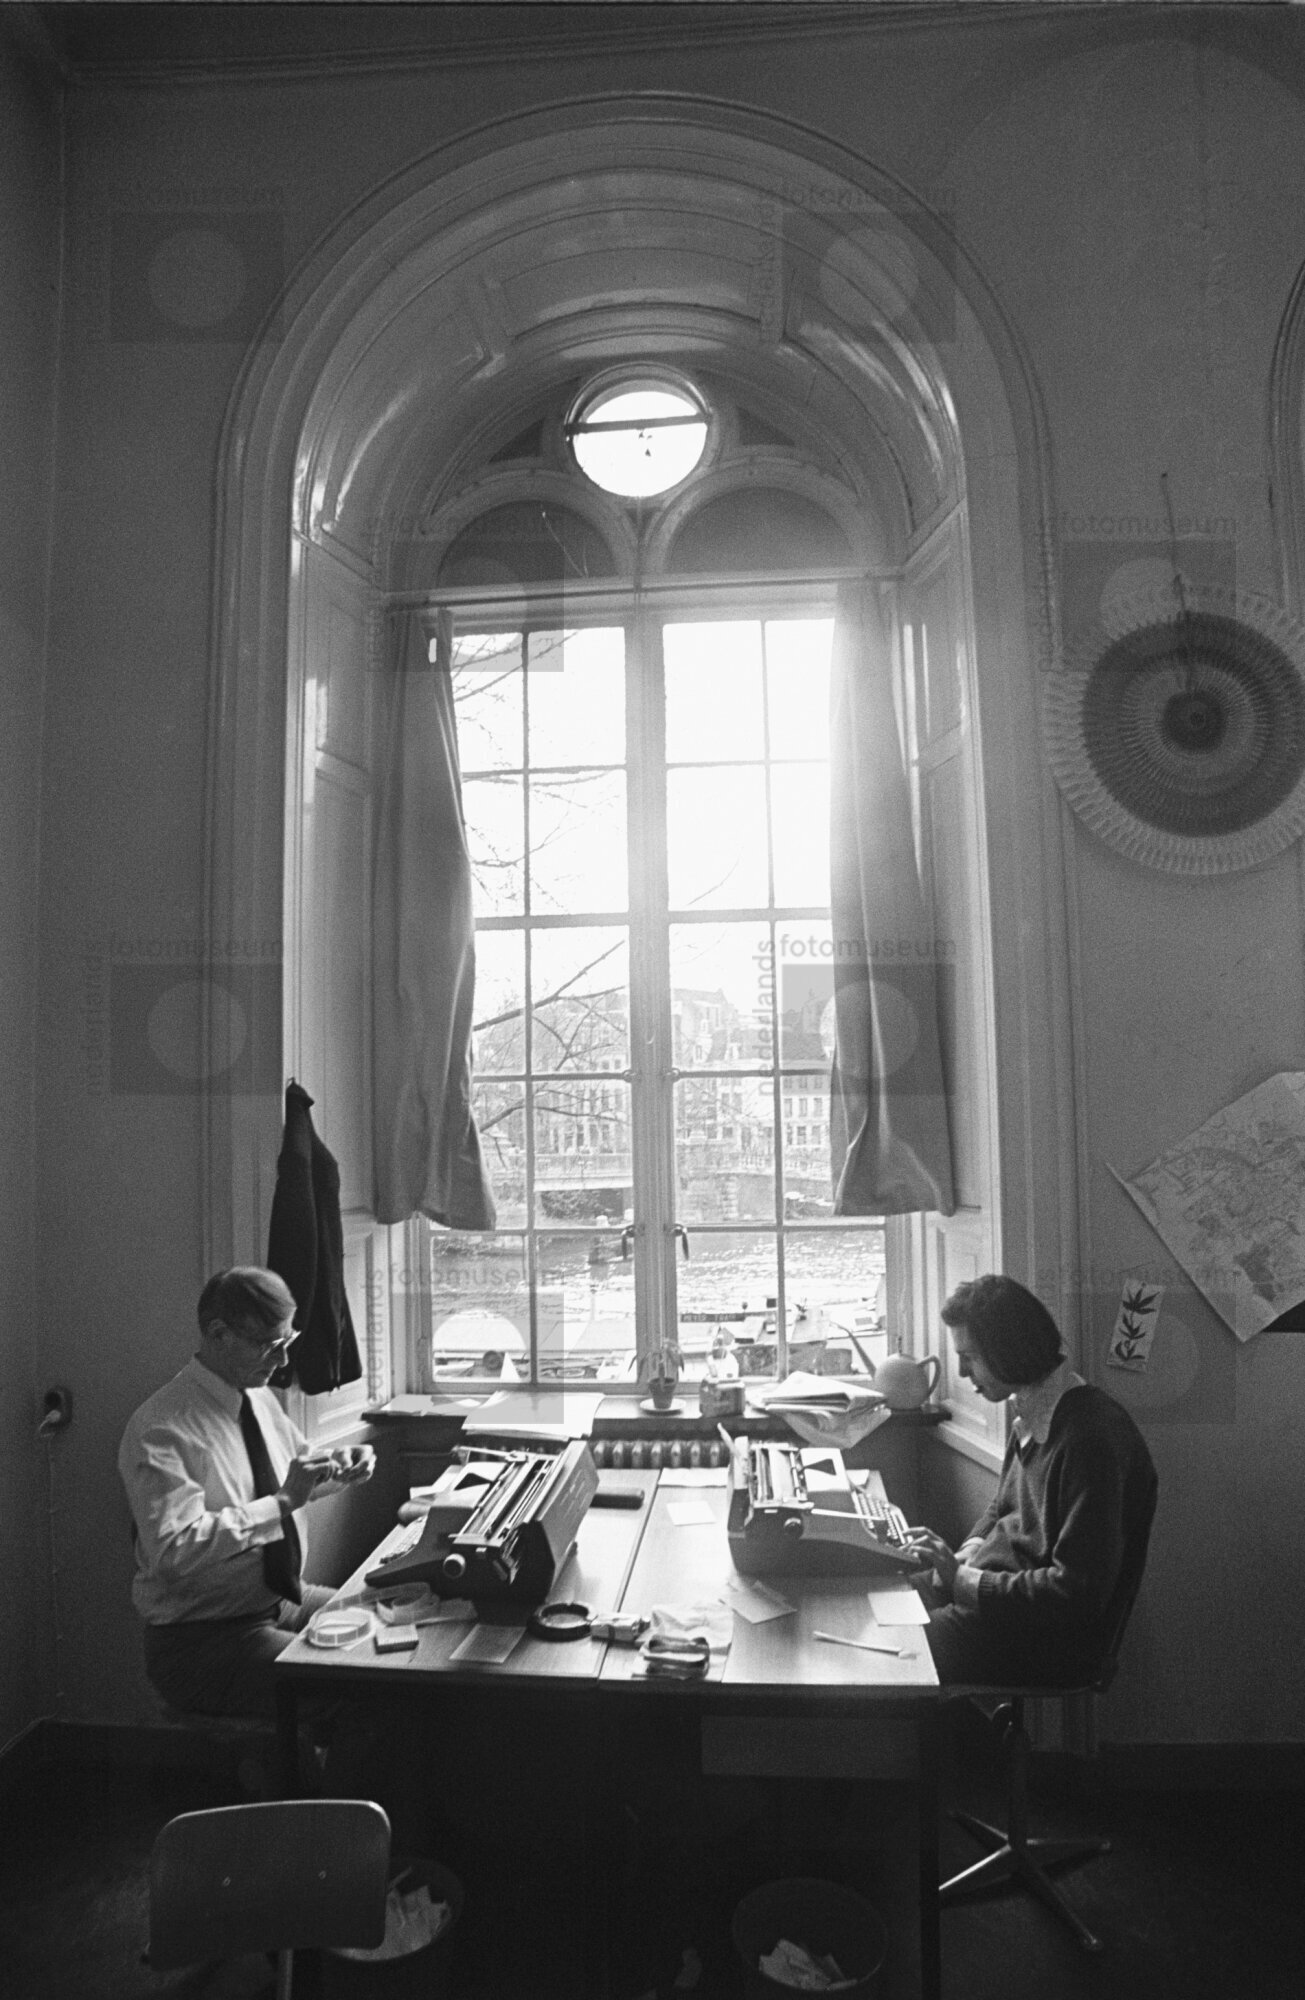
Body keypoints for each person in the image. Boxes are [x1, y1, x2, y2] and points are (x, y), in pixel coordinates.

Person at [119, 1265, 375, 1719]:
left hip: (281, 1603)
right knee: (356, 1689)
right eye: (270, 1346)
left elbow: (298, 1475)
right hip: (204, 1641)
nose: (283, 1361)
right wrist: (282, 1503)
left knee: (387, 1630)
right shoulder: (162, 1428)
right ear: (219, 1334)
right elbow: (174, 1551)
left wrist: (342, 1468)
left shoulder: (257, 1397)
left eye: (288, 1342)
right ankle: (317, 1760)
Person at [902, 1274, 1157, 1687]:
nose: (963, 1372)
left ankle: (953, 1730)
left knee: (895, 1652)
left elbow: (1073, 1593)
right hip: (998, 1600)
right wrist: (962, 1557)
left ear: (1008, 1350)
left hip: (1048, 1640)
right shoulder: (1034, 1410)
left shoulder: (1090, 1441)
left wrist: (962, 1580)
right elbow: (1002, 1507)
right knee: (884, 1598)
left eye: (970, 1357)